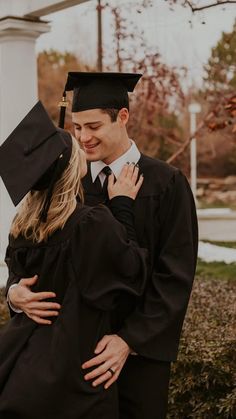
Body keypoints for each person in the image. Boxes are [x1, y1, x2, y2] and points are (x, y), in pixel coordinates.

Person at [7, 72, 198, 419]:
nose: (83, 137)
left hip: (139, 360)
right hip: (72, 361)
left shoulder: (166, 183)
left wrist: (129, 340)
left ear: (122, 117)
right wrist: (14, 294)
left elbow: (174, 276)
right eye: (77, 128)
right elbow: (29, 261)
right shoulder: (67, 186)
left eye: (93, 126)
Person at [0, 100, 148, 419]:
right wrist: (122, 205)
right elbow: (131, 273)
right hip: (72, 376)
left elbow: (15, 275)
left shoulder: (22, 227)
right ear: (69, 169)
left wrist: (12, 292)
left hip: (19, 367)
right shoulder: (90, 223)